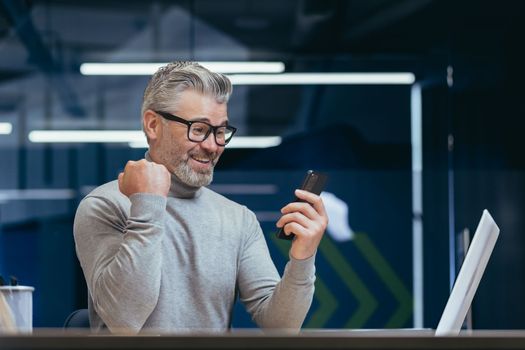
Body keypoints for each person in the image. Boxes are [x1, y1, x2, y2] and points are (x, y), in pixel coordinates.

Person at [73, 61, 328, 334]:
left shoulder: (238, 219)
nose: (211, 146)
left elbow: (280, 327)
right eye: (198, 129)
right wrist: (147, 204)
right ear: (153, 125)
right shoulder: (105, 205)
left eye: (220, 132)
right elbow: (124, 321)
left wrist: (303, 257)